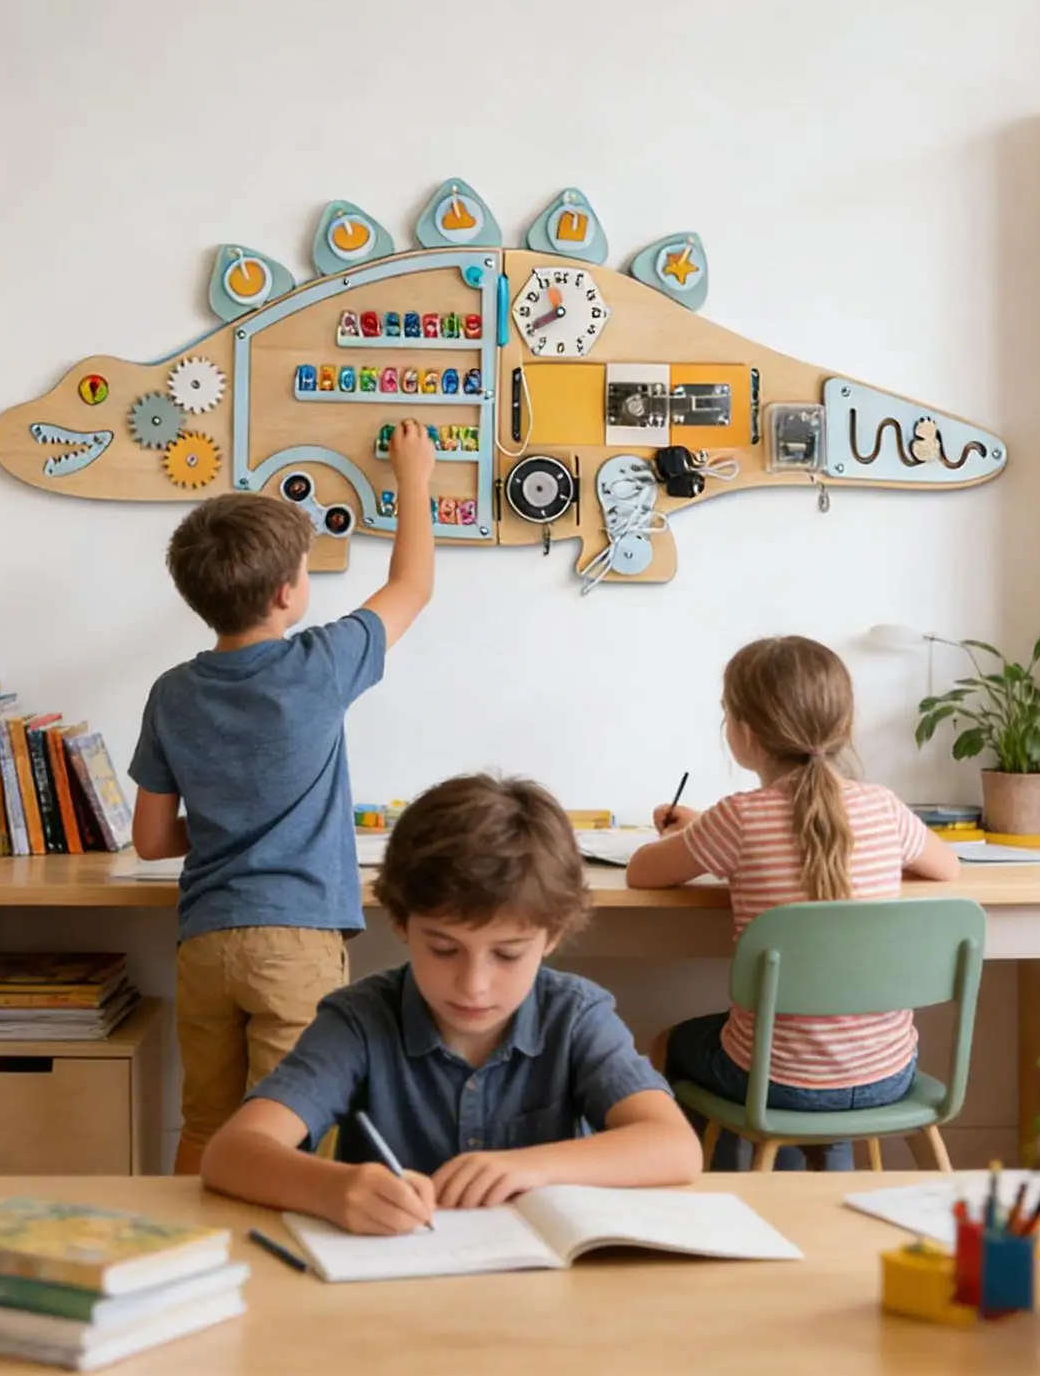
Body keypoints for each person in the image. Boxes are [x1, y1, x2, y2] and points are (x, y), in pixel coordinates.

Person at [130, 421, 436, 1174]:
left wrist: (224, 823)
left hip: (204, 940)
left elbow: (150, 840)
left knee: (204, 1126)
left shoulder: (170, 692)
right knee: (289, 1130)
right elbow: (412, 587)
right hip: (296, 941)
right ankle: (281, 1279)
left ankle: (195, 1260)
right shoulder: (320, 663)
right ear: (285, 592)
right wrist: (414, 478)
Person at [201, 774, 702, 1233]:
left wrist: (529, 1166)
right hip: (392, 1295)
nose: (474, 985)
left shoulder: (574, 1016)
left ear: (552, 935)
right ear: (401, 923)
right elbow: (231, 1153)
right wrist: (332, 1188)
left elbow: (675, 1147)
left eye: (507, 954)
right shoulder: (359, 1021)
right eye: (444, 949)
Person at [626, 635, 961, 1171]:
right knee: (815, 1057)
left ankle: (720, 1184)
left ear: (743, 733)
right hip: (888, 1074)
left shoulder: (738, 818)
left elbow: (643, 872)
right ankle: (825, 1169)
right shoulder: (884, 808)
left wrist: (685, 837)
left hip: (775, 1083)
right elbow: (948, 867)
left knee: (674, 1043)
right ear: (842, 725)